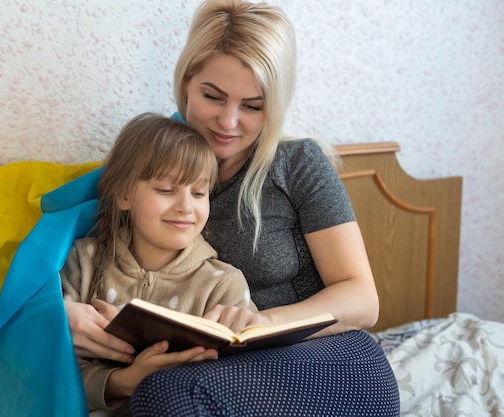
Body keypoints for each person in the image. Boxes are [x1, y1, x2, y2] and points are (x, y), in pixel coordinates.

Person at [64, 1, 401, 415]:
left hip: (331, 360)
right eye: (212, 96)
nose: (228, 121)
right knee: (160, 390)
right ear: (186, 82)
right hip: (216, 372)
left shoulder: (298, 163)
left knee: (165, 393)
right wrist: (61, 315)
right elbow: (66, 251)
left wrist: (266, 323)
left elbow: (364, 301)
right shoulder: (149, 161)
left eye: (253, 106)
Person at [60, 112, 257, 415]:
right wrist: (123, 382)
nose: (186, 206)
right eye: (166, 190)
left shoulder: (222, 284)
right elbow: (50, 374)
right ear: (124, 194)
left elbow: (246, 383)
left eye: (199, 192)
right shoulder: (82, 262)